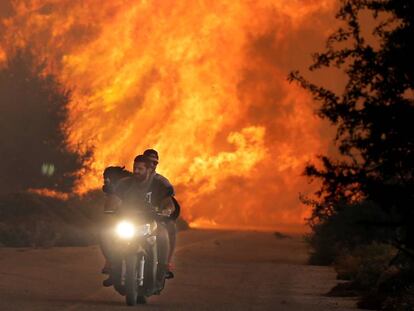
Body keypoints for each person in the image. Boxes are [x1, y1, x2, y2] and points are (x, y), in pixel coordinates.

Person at [143, 149, 179, 278]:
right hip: (134, 218)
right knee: (108, 231)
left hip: (155, 218)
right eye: (148, 162)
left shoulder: (162, 182)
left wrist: (167, 210)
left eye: (154, 163)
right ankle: (113, 264)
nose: (151, 165)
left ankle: (165, 264)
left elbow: (169, 203)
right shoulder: (131, 181)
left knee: (167, 230)